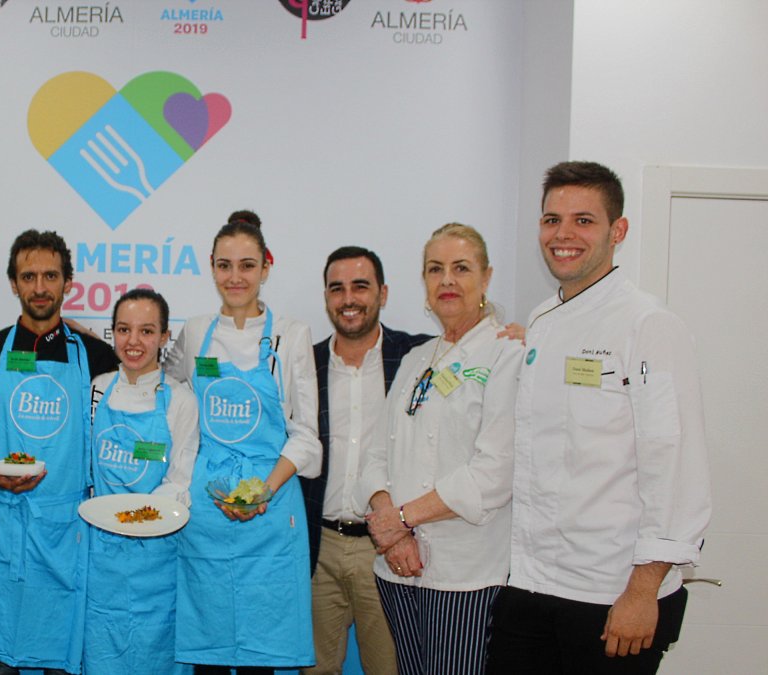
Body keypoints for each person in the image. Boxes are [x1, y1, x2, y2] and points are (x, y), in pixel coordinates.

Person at [486, 161, 711, 674]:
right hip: (531, 581)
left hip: (612, 592)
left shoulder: (648, 325)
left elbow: (675, 465)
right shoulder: (543, 319)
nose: (563, 235)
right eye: (551, 220)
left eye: (583, 220)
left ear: (618, 231)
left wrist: (642, 590)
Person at [0, 229, 119, 675]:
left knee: (61, 663)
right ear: (13, 283)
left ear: (67, 283)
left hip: (67, 535)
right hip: (2, 526)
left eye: (50, 276)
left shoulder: (100, 358)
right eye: (28, 276)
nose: (39, 287)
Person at [361, 224, 523, 674]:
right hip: (397, 568)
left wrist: (402, 520)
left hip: (466, 574)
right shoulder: (417, 359)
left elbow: (492, 475)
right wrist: (391, 529)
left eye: (461, 268)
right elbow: (376, 455)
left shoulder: (506, 354)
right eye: (435, 269)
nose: (447, 280)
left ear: (486, 278)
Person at [166, 219, 320, 674]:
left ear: (266, 268)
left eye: (247, 265)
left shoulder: (291, 335)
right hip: (207, 512)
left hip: (270, 511)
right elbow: (165, 387)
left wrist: (263, 490)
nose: (236, 277)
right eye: (225, 265)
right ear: (211, 268)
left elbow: (307, 434)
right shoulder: (195, 332)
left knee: (262, 658)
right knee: (208, 656)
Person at [301, 246, 431, 675]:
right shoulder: (306, 364)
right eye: (337, 289)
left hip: (387, 547)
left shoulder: (417, 357)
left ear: (383, 293)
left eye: (360, 286)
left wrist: (510, 331)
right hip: (320, 548)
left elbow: (475, 350)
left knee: (388, 669)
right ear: (325, 297)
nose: (348, 298)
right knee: (315, 669)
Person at [84, 288, 199, 675]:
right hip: (99, 558)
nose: (134, 342)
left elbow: (181, 478)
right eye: (123, 329)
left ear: (165, 337)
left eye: (147, 331)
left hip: (158, 559)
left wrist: (137, 515)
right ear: (111, 333)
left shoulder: (181, 400)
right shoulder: (97, 388)